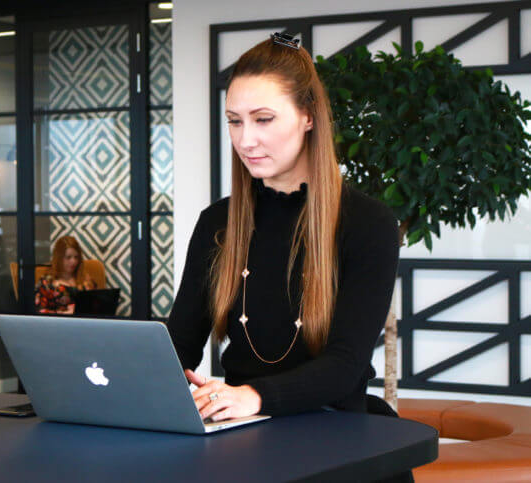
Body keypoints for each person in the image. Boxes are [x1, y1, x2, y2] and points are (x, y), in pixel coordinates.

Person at [168, 33, 402, 435]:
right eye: (234, 121)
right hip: (239, 431)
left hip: (332, 432)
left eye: (263, 119)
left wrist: (251, 397)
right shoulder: (217, 223)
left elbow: (345, 365)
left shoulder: (369, 223)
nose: (245, 140)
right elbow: (179, 347)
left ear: (308, 116)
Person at [34, 236, 96, 314]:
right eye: (68, 257)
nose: (73, 261)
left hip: (86, 324)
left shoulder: (86, 281)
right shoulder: (47, 283)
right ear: (59, 259)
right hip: (58, 324)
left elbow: (96, 308)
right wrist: (64, 314)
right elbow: (39, 312)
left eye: (76, 257)